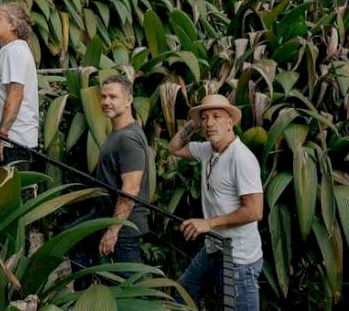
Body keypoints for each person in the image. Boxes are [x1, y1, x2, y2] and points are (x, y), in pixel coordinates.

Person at [166, 94, 263, 310]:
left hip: (239, 260)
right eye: (205, 118)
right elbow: (173, 148)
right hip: (214, 248)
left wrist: (207, 224)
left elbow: (255, 211)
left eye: (217, 116)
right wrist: (194, 122)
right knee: (181, 297)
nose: (210, 123)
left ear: (230, 122)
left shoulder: (241, 158)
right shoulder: (207, 150)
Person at [73, 74, 150, 287]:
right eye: (104, 96)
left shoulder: (128, 139)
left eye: (113, 97)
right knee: (73, 240)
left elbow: (131, 188)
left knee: (131, 290)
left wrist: (114, 230)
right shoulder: (119, 132)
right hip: (105, 216)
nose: (106, 101)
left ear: (128, 100)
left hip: (124, 224)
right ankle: (84, 300)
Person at [0, 2, 39, 167]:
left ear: (13, 24)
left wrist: (0, 136)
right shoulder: (9, 50)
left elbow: (15, 94)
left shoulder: (15, 51)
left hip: (12, 143)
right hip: (6, 141)